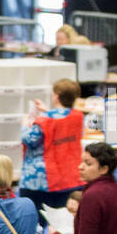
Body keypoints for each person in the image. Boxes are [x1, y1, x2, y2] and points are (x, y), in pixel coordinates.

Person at [20, 77, 84, 218]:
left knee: (36, 221)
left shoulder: (44, 119)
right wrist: (46, 112)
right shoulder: (78, 117)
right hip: (69, 178)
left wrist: (25, 124)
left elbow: (29, 139)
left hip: (40, 181)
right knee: (63, 220)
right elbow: (61, 125)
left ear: (56, 96)